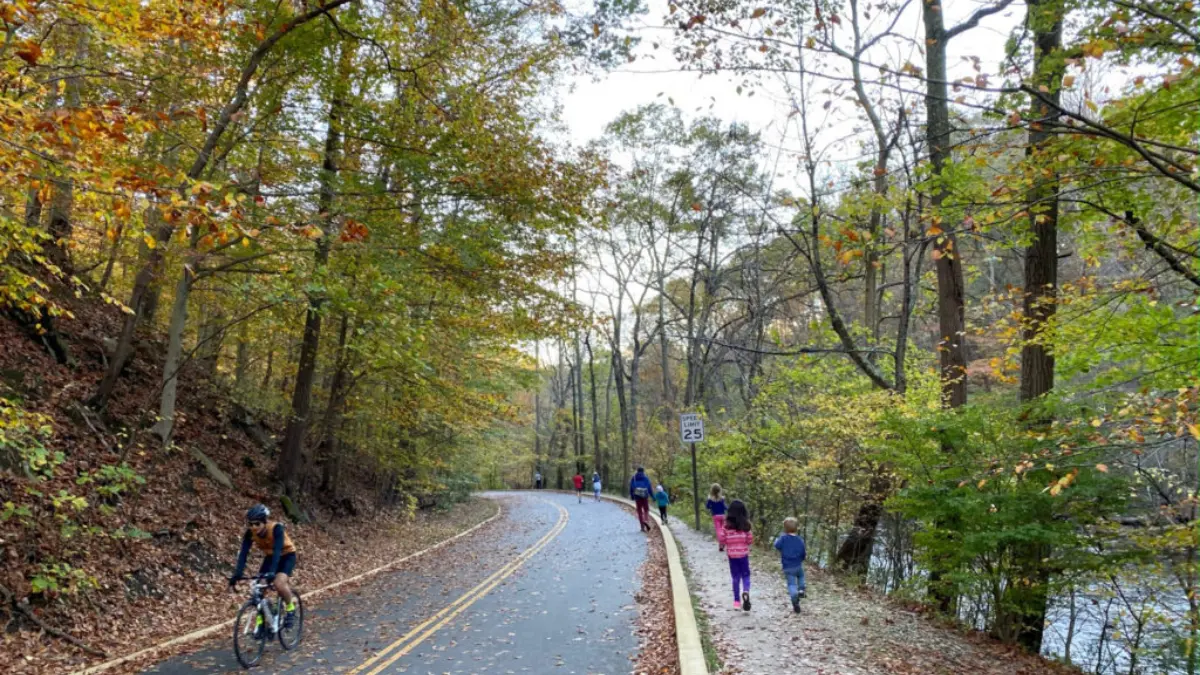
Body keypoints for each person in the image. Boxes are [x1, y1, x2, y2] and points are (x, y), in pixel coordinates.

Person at [229, 504, 299, 629]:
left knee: (279, 583)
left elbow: (278, 550)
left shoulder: (276, 528)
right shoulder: (250, 533)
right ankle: (262, 620)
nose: (253, 527)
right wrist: (237, 574)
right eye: (250, 524)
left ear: (264, 522)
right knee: (259, 587)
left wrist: (272, 572)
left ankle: (290, 608)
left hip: (287, 555)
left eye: (257, 524)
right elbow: (243, 553)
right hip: (270, 557)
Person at [723, 499, 753, 611]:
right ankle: (746, 590)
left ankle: (736, 601)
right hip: (743, 555)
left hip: (732, 556)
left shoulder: (726, 526)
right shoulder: (746, 526)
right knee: (746, 575)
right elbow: (750, 540)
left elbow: (722, 539)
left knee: (735, 577)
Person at [774, 517, 807, 613]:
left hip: (788, 566)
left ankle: (794, 599)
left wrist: (777, 540)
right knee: (801, 576)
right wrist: (802, 558)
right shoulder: (800, 540)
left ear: (785, 528)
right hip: (797, 565)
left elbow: (777, 546)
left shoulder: (783, 538)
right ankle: (801, 589)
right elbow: (803, 552)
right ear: (796, 528)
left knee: (791, 584)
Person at [705, 484, 728, 552]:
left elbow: (707, 507)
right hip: (723, 516)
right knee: (724, 529)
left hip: (715, 516)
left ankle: (721, 543)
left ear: (711, 491)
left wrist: (709, 500)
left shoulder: (711, 499)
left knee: (718, 530)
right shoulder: (722, 499)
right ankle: (722, 543)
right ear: (720, 490)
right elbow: (725, 507)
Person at [629, 466, 653, 532]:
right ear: (643, 471)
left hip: (637, 496)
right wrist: (652, 496)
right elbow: (649, 487)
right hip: (645, 496)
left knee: (639, 511)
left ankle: (642, 527)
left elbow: (631, 487)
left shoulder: (633, 478)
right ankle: (646, 520)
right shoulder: (646, 478)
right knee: (646, 509)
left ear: (637, 471)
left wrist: (632, 496)